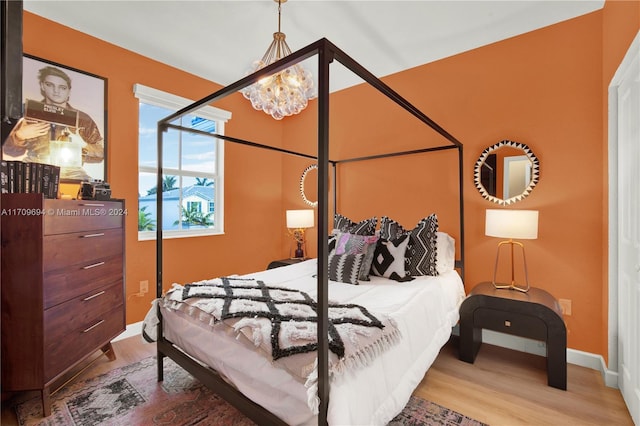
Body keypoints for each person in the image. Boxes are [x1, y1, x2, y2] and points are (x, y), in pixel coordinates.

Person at [3, 66, 104, 179]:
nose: (56, 91)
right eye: (50, 85)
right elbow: (8, 152)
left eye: (62, 87)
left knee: (92, 192)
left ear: (69, 91)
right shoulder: (26, 111)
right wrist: (19, 136)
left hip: (71, 170)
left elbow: (101, 154)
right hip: (34, 167)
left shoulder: (83, 119)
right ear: (42, 86)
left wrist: (83, 145)